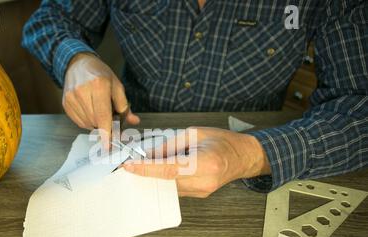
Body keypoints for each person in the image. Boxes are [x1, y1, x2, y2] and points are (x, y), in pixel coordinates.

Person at [22, 0, 368, 198]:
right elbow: (50, 19)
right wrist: (74, 60)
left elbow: (359, 108)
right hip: (132, 142)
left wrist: (248, 155)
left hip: (251, 172)